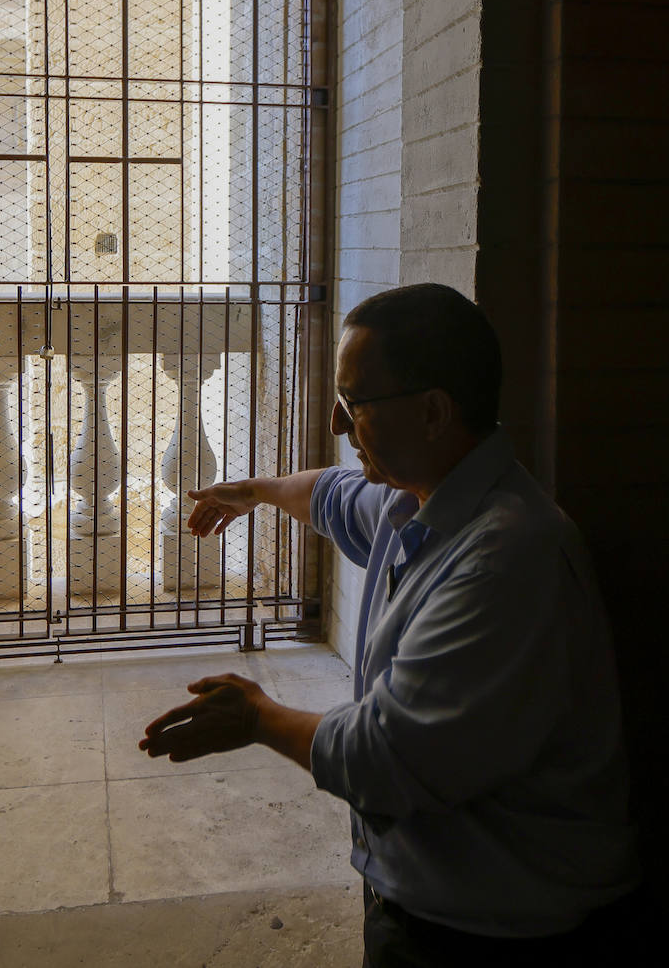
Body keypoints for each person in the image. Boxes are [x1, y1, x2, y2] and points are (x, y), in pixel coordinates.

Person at [139, 283, 643, 967]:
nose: (338, 426)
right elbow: (330, 494)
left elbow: (386, 757)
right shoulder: (424, 502)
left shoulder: (504, 559)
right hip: (447, 911)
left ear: (433, 412)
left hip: (498, 937)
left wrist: (256, 717)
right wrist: (256, 492)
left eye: (353, 405)